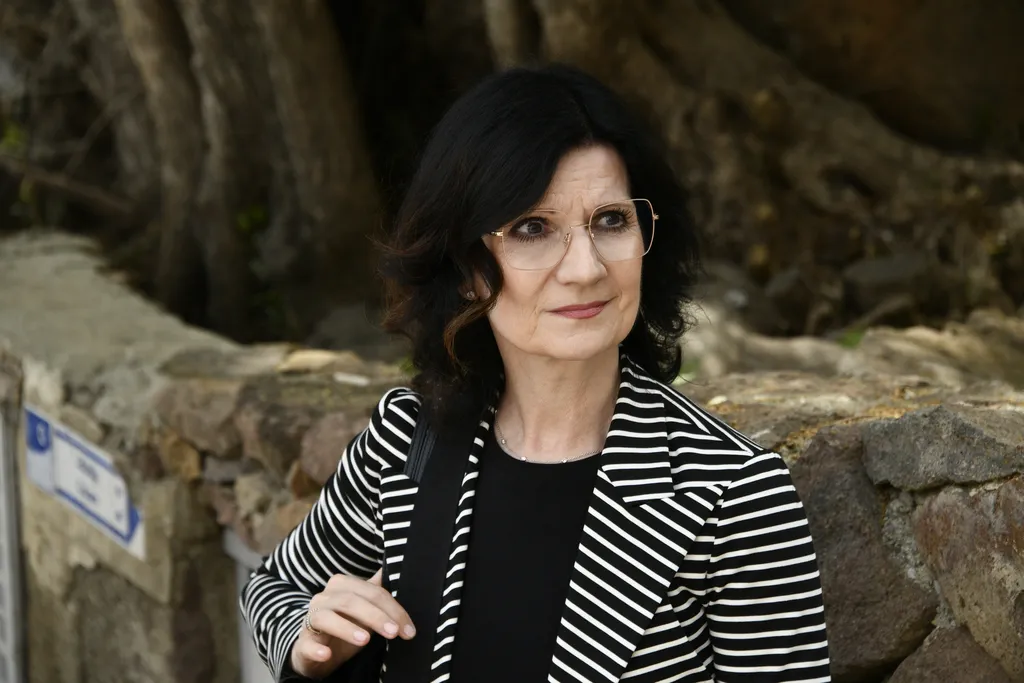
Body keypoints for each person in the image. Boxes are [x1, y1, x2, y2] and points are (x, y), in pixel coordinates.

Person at [240, 63, 831, 683]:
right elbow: (275, 586)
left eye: (611, 220)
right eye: (532, 228)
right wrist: (308, 642)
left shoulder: (734, 494)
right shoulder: (409, 437)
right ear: (466, 267)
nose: (585, 268)